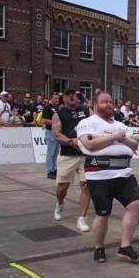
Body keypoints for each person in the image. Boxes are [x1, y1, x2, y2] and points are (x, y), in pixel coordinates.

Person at [77, 91, 139, 263]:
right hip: (99, 175)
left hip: (124, 174)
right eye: (104, 102)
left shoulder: (121, 125)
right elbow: (89, 145)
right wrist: (115, 137)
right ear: (95, 105)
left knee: (134, 205)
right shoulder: (87, 123)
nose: (109, 104)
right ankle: (99, 247)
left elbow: (135, 145)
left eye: (110, 102)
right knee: (103, 213)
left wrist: (122, 139)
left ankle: (125, 247)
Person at [51, 89, 91, 231]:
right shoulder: (59, 114)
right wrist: (71, 141)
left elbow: (94, 126)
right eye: (68, 95)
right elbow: (56, 134)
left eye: (73, 94)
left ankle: (82, 219)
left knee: (87, 186)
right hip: (68, 155)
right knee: (62, 187)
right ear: (64, 99)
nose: (72, 97)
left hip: (85, 155)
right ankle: (60, 203)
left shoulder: (86, 111)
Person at [42, 93, 61, 179]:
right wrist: (56, 122)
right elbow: (44, 120)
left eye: (58, 98)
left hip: (57, 132)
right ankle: (49, 171)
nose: (57, 100)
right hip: (50, 132)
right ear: (51, 99)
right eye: (55, 98)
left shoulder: (57, 108)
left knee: (56, 152)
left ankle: (54, 169)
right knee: (50, 152)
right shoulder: (47, 108)